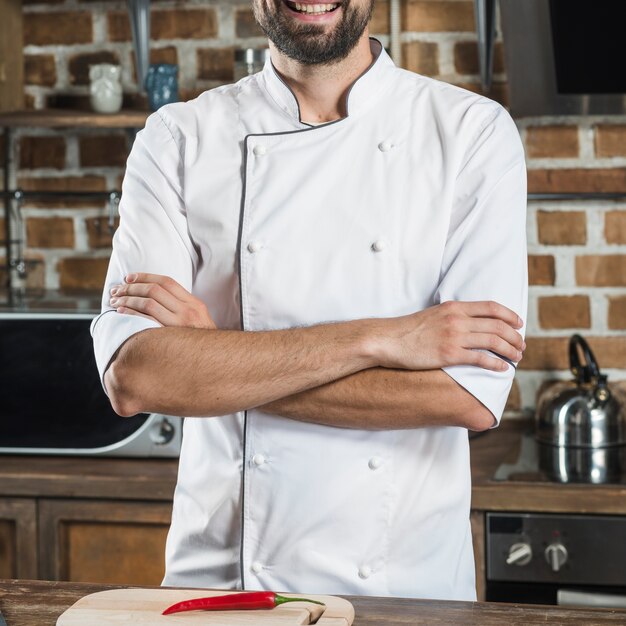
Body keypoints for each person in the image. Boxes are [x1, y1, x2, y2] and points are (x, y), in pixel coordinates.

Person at [91, 0, 527, 602]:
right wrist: (384, 338)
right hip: (222, 584)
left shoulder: (469, 132)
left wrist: (215, 359)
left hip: (403, 590)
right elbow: (137, 377)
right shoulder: (178, 138)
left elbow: (467, 395)